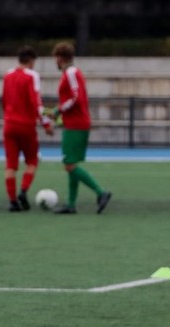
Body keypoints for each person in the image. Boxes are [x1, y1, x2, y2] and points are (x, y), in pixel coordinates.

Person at [49, 42, 112, 215]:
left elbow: (75, 98)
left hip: (77, 124)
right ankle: (71, 204)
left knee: (69, 164)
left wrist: (58, 110)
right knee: (71, 164)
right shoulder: (72, 73)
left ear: (59, 58)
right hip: (74, 122)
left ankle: (101, 192)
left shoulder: (71, 72)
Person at [2, 45, 54, 212]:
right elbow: (36, 102)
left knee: (11, 165)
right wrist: (46, 124)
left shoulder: (8, 75)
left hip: (9, 124)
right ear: (31, 61)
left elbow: (4, 100)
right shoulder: (32, 76)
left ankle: (12, 201)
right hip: (26, 125)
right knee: (32, 160)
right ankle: (23, 191)